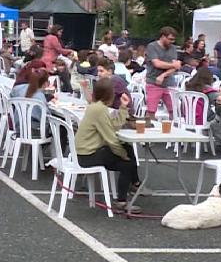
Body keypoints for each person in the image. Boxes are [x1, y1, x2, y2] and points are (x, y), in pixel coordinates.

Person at [76, 78, 139, 212]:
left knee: (127, 152)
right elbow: (111, 138)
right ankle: (129, 191)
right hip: (88, 154)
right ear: (110, 95)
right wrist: (123, 155)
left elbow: (113, 126)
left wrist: (123, 107)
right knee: (127, 159)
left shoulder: (96, 106)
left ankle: (133, 186)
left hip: (84, 153)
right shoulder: (100, 110)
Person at [145, 26, 180, 119]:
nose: (172, 42)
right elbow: (157, 63)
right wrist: (173, 65)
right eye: (170, 39)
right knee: (151, 111)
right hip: (153, 82)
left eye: (173, 40)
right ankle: (149, 128)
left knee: (174, 110)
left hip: (169, 83)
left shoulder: (173, 48)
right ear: (163, 36)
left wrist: (163, 75)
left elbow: (176, 67)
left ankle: (174, 128)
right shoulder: (152, 46)